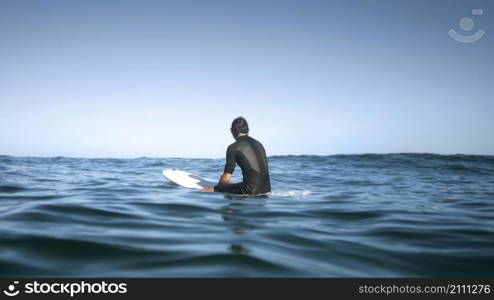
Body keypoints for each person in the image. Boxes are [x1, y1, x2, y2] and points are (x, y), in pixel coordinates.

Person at [202, 117, 271, 195]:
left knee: (213, 189)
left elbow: (226, 178)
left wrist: (219, 187)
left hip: (250, 192)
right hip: (267, 190)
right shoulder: (259, 144)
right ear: (248, 130)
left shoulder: (233, 147)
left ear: (232, 131)